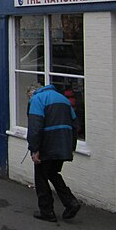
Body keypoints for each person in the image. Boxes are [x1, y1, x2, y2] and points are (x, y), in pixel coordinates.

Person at [27, 82, 82, 222]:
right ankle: (71, 202)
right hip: (64, 144)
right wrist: (71, 147)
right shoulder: (63, 99)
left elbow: (35, 127)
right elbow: (75, 125)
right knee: (53, 173)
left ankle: (47, 212)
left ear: (32, 93)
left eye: (28, 97)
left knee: (41, 177)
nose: (29, 101)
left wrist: (35, 149)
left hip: (47, 144)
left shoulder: (37, 99)